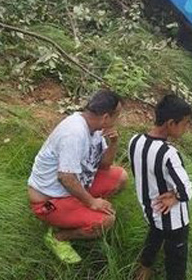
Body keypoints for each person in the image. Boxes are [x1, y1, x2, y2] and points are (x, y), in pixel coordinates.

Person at [27, 89, 127, 264]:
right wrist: (92, 202)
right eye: (116, 116)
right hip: (50, 200)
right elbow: (65, 177)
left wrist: (113, 143)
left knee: (120, 177)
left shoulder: (95, 128)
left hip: (76, 186)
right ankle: (59, 236)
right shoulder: (74, 132)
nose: (118, 120)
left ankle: (79, 212)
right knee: (106, 221)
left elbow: (104, 165)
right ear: (105, 117)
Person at [128, 94, 192, 280]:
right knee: (176, 261)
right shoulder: (168, 154)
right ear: (171, 123)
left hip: (150, 209)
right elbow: (186, 190)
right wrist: (176, 195)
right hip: (174, 220)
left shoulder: (135, 141)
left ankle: (144, 268)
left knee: (156, 233)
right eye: (186, 123)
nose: (187, 128)